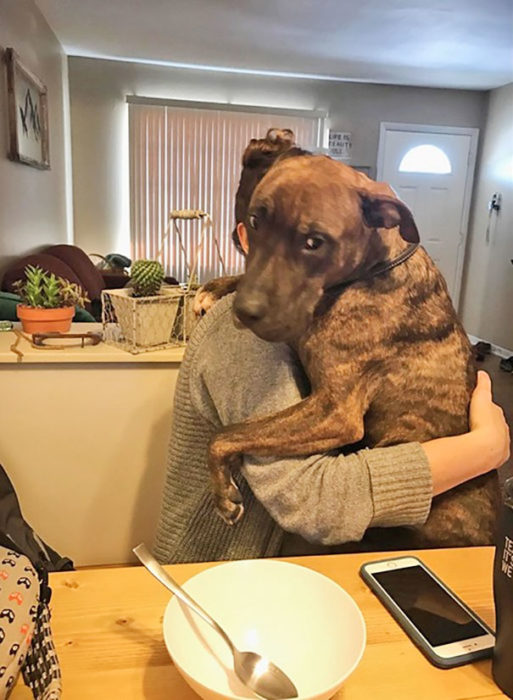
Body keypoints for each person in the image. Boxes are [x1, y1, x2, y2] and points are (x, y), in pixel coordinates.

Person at [153, 134, 510, 565]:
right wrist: (484, 449)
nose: (252, 301)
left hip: (432, 543)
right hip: (227, 567)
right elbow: (313, 501)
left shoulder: (379, 300)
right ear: (245, 232)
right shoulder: (242, 334)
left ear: (382, 221)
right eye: (263, 225)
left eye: (312, 243)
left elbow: (338, 422)